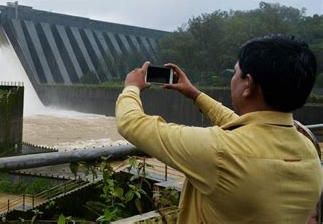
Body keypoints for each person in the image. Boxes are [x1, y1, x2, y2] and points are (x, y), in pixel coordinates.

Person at [116, 34, 321, 223]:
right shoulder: (309, 149)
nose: (232, 79)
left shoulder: (218, 151)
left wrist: (131, 87)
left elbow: (132, 123)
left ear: (247, 85)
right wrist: (195, 94)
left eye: (235, 73)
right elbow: (243, 127)